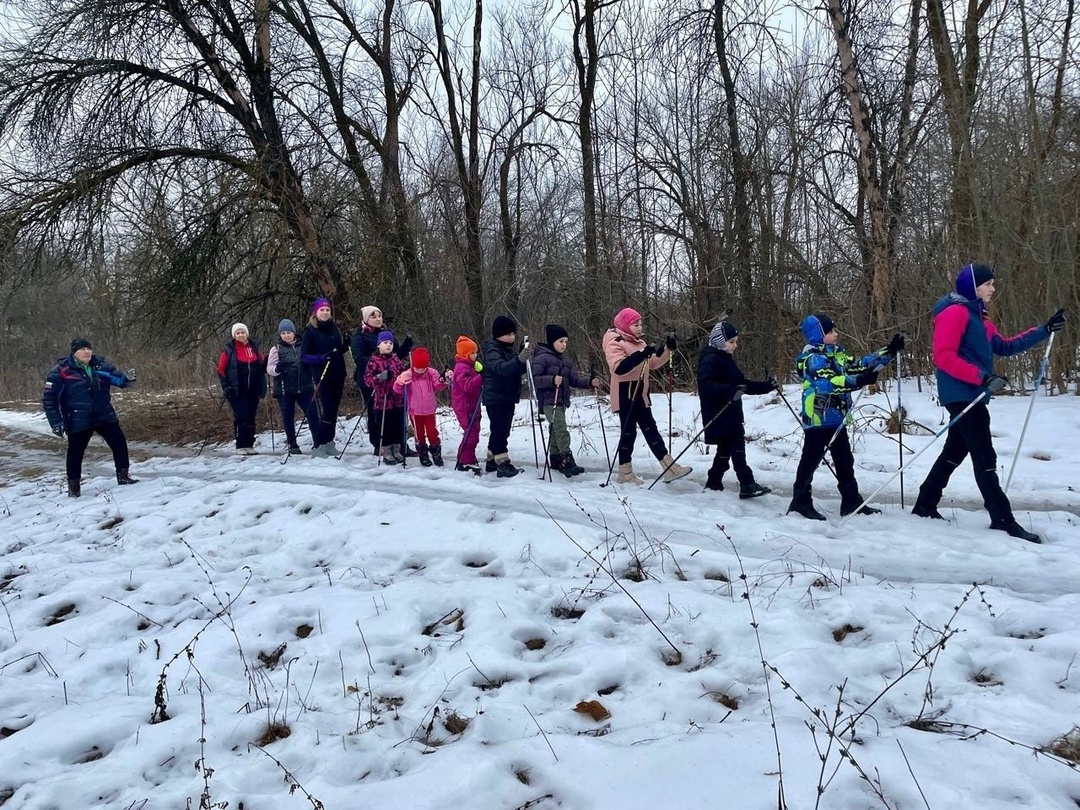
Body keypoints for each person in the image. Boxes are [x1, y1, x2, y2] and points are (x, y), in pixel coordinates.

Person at [911, 264, 1064, 543]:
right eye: (988, 284)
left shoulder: (980, 320)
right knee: (985, 457)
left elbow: (1005, 346)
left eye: (993, 283)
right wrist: (983, 377)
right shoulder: (954, 313)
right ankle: (1002, 518)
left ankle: (925, 503)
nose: (993, 288)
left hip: (973, 392)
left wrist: (1044, 330)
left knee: (954, 451)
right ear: (973, 286)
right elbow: (943, 356)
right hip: (962, 393)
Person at [788, 313, 901, 520]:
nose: (836, 334)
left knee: (844, 459)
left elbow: (860, 365)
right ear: (818, 336)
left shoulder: (837, 355)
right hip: (818, 418)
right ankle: (800, 501)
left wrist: (889, 351)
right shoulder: (812, 359)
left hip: (836, 418)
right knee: (811, 459)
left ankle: (851, 501)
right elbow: (829, 382)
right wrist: (859, 381)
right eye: (831, 331)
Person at [602, 307, 691, 485]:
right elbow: (618, 368)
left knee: (651, 429)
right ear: (625, 326)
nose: (640, 328)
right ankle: (625, 473)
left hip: (641, 392)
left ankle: (670, 467)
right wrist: (641, 355)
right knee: (629, 433)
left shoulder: (638, 342)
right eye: (635, 324)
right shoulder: (614, 340)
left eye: (640, 324)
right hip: (624, 392)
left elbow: (653, 363)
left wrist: (667, 349)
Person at [43, 338, 139, 497]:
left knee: (119, 443)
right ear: (74, 353)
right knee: (75, 453)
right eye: (82, 349)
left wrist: (127, 379)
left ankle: (123, 476)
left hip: (104, 415)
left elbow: (118, 380)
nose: (86, 351)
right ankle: (74, 488)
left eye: (88, 348)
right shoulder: (60, 371)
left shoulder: (100, 366)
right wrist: (56, 422)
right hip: (77, 419)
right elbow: (49, 400)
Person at [697, 321, 776, 497]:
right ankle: (747, 483)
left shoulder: (726, 361)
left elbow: (743, 385)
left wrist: (766, 386)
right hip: (718, 413)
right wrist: (731, 391)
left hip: (730, 413)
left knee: (725, 451)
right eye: (731, 341)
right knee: (737, 447)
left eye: (735, 341)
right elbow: (706, 385)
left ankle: (713, 482)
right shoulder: (710, 359)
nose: (735, 345)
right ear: (719, 341)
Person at [531, 324, 600, 477]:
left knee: (556, 428)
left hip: (561, 400)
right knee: (561, 428)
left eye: (566, 342)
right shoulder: (542, 358)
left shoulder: (565, 360)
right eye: (561, 341)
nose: (564, 345)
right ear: (552, 341)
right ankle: (566, 460)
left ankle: (555, 458)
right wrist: (551, 380)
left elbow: (573, 379)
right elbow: (535, 380)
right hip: (549, 399)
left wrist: (589, 382)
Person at [350, 305, 413, 454]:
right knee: (376, 414)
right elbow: (359, 359)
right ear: (366, 319)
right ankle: (379, 445)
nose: (378, 319)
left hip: (391, 380)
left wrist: (407, 344)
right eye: (373, 316)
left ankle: (400, 444)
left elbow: (396, 355)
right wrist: (380, 365)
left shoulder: (387, 334)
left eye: (379, 315)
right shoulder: (359, 336)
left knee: (396, 413)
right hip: (371, 380)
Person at [481, 315, 531, 478]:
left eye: (513, 334)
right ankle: (502, 462)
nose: (512, 336)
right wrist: (519, 359)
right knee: (500, 430)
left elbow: (516, 369)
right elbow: (502, 369)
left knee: (501, 429)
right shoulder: (492, 350)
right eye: (508, 334)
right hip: (496, 396)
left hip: (507, 395)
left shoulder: (508, 350)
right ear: (498, 334)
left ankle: (491, 460)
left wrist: (522, 360)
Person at [300, 298, 346, 458]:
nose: (325, 313)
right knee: (327, 410)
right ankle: (319, 444)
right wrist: (322, 357)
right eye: (322, 310)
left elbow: (337, 352)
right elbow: (304, 356)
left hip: (338, 373)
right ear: (315, 312)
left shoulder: (334, 328)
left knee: (333, 411)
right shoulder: (310, 331)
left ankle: (329, 442)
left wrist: (345, 345)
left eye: (327, 310)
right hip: (322, 374)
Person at [394, 346, 449, 467]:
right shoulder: (408, 374)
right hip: (415, 411)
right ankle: (423, 454)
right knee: (419, 434)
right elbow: (397, 389)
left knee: (432, 432)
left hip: (429, 409)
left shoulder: (431, 373)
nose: (420, 370)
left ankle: (436, 453)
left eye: (422, 368)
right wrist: (400, 381)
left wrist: (444, 380)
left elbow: (438, 384)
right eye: (417, 368)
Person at [217, 323, 267, 455]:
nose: (241, 335)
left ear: (247, 334)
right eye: (238, 333)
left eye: (243, 332)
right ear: (234, 335)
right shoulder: (229, 350)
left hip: (253, 389)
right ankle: (240, 445)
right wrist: (226, 386)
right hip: (237, 390)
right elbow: (221, 369)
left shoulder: (254, 347)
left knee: (251, 416)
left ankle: (249, 445)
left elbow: (262, 365)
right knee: (241, 416)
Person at [266, 318, 312, 455]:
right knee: (288, 416)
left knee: (312, 414)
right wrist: (278, 368)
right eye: (283, 333)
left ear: (294, 332)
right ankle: (292, 444)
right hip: (285, 388)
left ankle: (318, 442)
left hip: (304, 386)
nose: (286, 335)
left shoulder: (303, 345)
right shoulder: (277, 348)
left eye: (289, 332)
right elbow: (270, 368)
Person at [363, 330, 406, 464]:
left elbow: (402, 373)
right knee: (385, 426)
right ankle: (386, 451)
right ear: (379, 345)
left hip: (397, 399)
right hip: (383, 400)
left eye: (390, 343)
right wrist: (379, 377)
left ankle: (397, 449)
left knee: (397, 426)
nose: (388, 345)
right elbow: (367, 380)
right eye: (385, 343)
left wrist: (407, 372)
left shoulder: (396, 359)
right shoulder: (374, 361)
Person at [450, 335, 484, 474]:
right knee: (471, 434)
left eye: (476, 352)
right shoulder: (461, 368)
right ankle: (465, 461)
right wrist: (481, 377)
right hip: (465, 407)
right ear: (465, 354)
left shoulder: (470, 366)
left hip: (473, 405)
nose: (476, 355)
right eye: (473, 353)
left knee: (473, 432)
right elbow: (467, 386)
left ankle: (467, 457)